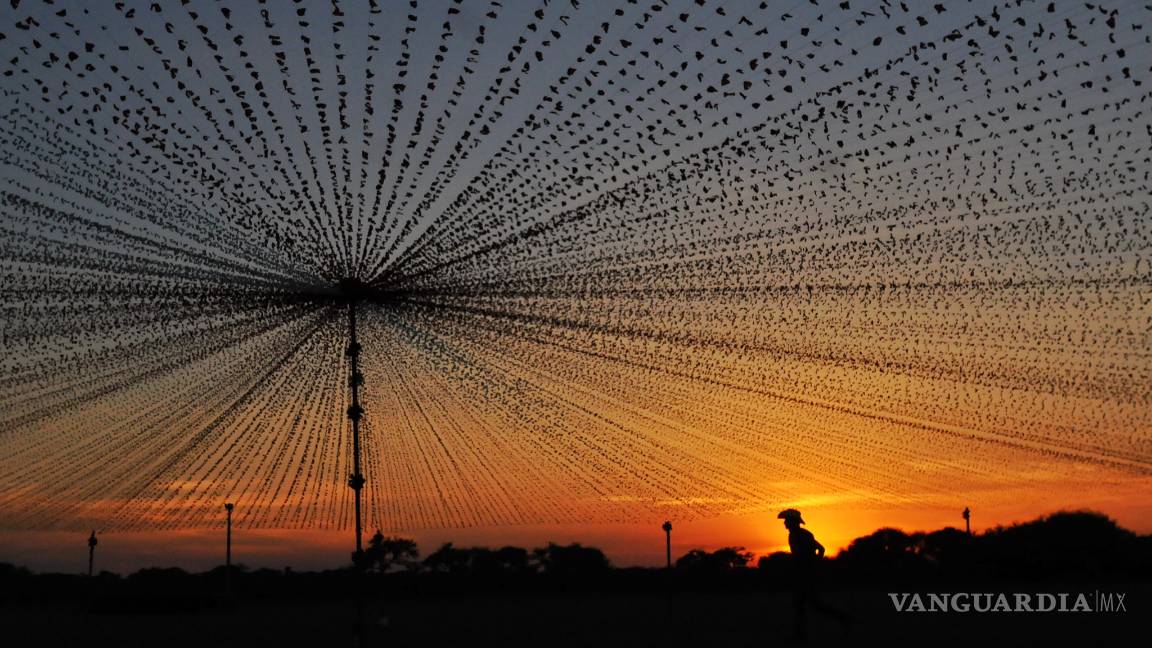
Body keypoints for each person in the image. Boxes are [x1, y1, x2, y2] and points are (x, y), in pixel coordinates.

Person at [778, 509, 849, 642]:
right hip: (806, 573)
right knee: (804, 605)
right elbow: (820, 549)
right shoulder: (803, 534)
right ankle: (800, 635)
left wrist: (810, 565)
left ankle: (841, 619)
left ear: (793, 522)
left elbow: (805, 554)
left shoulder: (798, 535)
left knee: (808, 605)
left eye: (787, 521)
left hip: (804, 574)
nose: (785, 523)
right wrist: (815, 564)